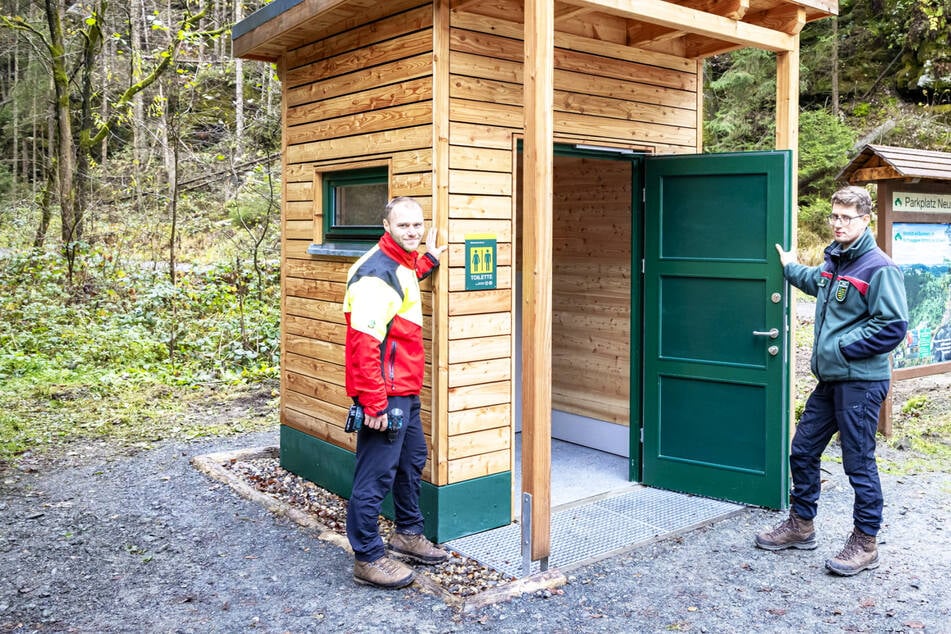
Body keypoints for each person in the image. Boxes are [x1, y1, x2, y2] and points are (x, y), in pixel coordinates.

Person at [755, 186, 909, 576]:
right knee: (803, 450)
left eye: (847, 218)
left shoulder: (879, 267)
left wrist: (841, 348)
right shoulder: (835, 262)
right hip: (832, 382)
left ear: (865, 220)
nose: (838, 224)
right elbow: (817, 283)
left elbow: (892, 326)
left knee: (858, 464)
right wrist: (790, 266)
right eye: (834, 216)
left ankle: (865, 542)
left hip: (860, 382)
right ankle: (801, 525)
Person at [343, 196, 450, 588]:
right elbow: (363, 346)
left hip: (404, 387)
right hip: (385, 395)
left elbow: (405, 281)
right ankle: (367, 556)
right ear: (386, 227)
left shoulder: (401, 264)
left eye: (417, 225)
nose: (413, 232)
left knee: (411, 460)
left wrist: (430, 261)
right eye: (404, 226)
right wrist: (373, 402)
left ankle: (407, 534)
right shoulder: (376, 275)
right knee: (375, 475)